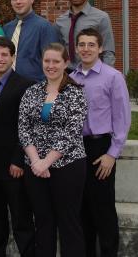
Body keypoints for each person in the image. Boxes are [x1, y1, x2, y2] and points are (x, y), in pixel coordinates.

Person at [18, 43, 88, 257]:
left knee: (69, 223)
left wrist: (46, 162)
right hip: (35, 167)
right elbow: (23, 127)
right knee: (43, 222)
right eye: (47, 61)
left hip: (67, 166)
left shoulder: (75, 93)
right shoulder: (32, 91)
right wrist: (35, 161)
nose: (51, 65)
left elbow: (72, 132)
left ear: (66, 63)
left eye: (56, 61)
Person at [70, 28, 131, 257]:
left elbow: (122, 119)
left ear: (100, 48)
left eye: (91, 45)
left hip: (101, 148)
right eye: (82, 44)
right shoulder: (71, 78)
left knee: (103, 210)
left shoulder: (113, 77)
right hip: (76, 149)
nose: (86, 49)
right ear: (76, 48)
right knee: (81, 209)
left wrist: (112, 154)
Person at [0, 37, 35, 257]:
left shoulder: (26, 85)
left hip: (14, 166)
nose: (0, 59)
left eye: (4, 55)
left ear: (13, 57)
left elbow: (28, 126)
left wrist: (18, 159)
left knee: (22, 222)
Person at [56, 0, 115, 70]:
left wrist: (106, 77)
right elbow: (58, 51)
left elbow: (108, 52)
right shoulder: (60, 21)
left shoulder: (101, 18)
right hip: (67, 74)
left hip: (93, 72)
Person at [3, 0, 59, 82]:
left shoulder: (44, 27)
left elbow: (53, 62)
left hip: (35, 88)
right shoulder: (7, 28)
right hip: (9, 87)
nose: (18, 2)